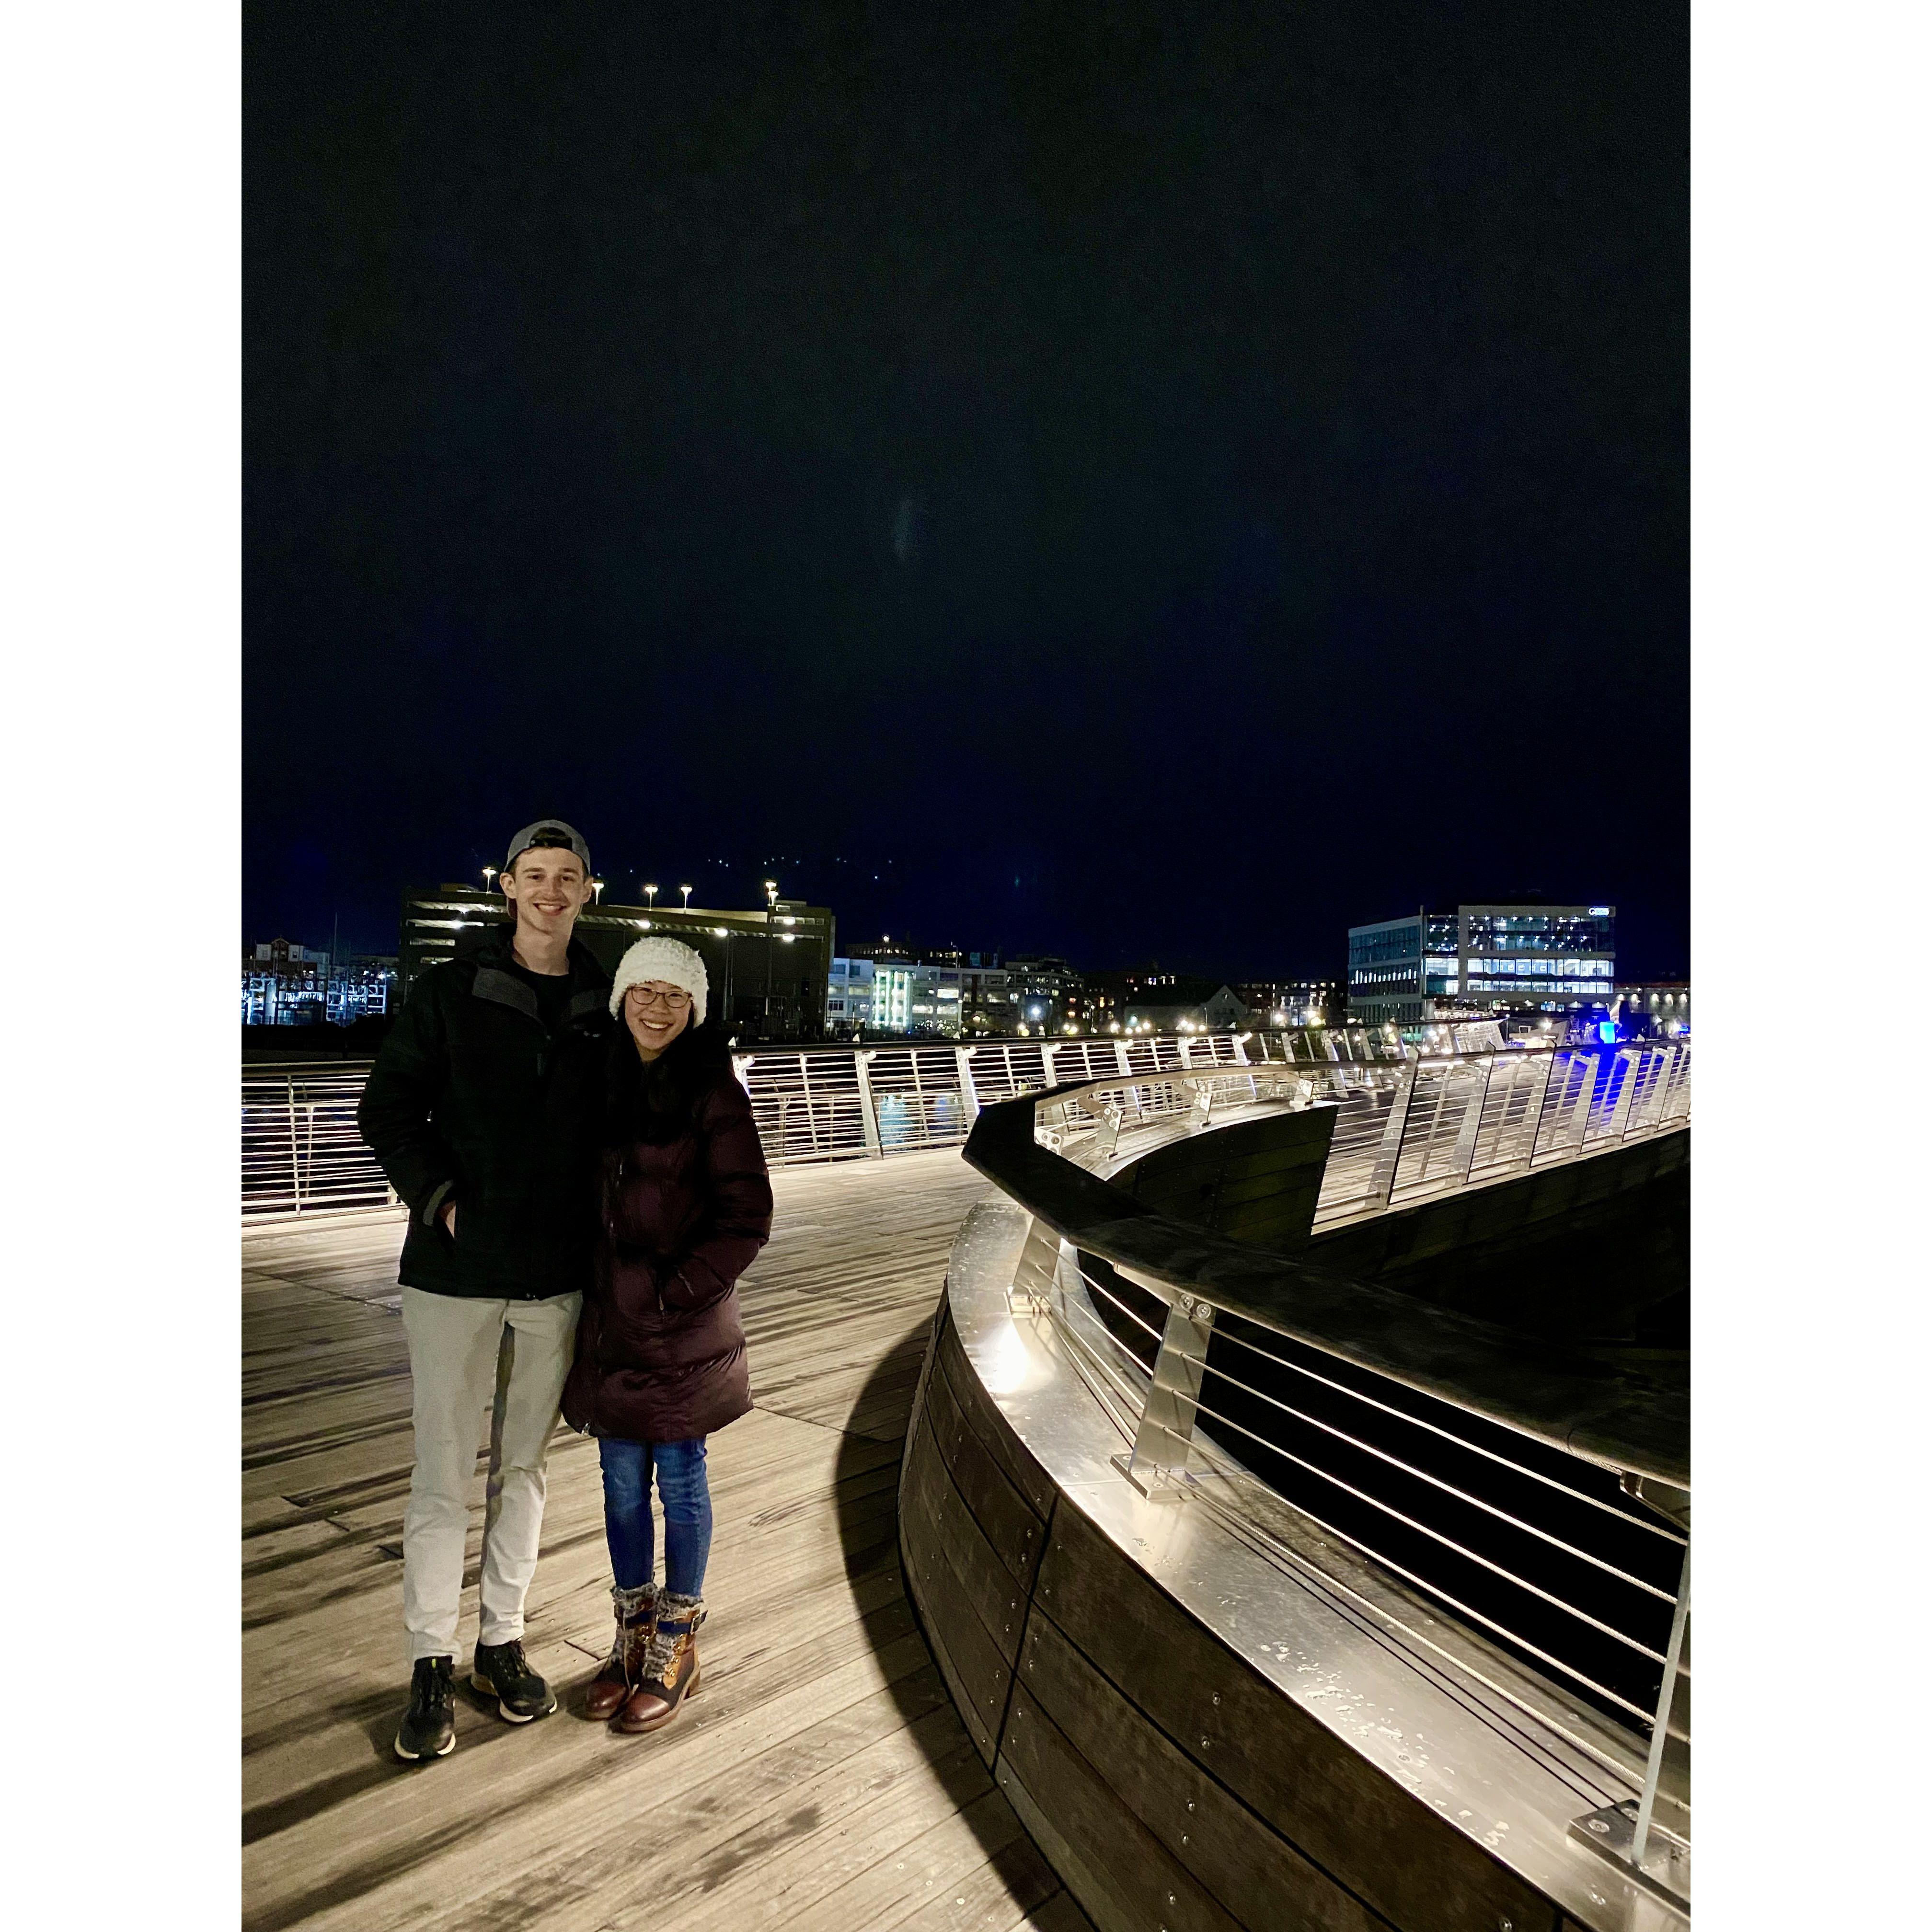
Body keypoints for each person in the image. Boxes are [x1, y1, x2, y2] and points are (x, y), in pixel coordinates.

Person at [357, 820, 612, 1763]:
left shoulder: (604, 1000)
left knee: (525, 1472)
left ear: (589, 890)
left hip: (553, 1284)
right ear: (507, 886)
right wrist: (445, 1203)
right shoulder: (448, 992)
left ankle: (499, 1642)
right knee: (441, 1474)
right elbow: (386, 1107)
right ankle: (430, 1659)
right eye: (534, 875)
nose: (551, 890)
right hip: (456, 1278)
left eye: (568, 876)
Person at [563, 935, 772, 1734]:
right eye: (644, 991)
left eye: (675, 996)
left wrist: (673, 1292)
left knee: (680, 1480)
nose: (657, 1006)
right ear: (622, 1000)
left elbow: (748, 1215)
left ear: (695, 1010)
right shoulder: (601, 1080)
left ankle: (679, 1639)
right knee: (620, 1485)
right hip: (611, 1325)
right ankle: (633, 1634)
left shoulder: (714, 1090)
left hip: (679, 1326)